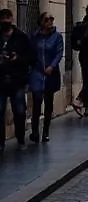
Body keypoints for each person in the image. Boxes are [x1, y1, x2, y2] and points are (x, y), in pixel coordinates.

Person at [0, 8, 33, 150]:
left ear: (12, 19)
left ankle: (20, 139)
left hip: (17, 80)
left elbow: (30, 57)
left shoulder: (21, 37)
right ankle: (1, 143)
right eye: (3, 19)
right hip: (0, 80)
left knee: (19, 111)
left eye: (8, 18)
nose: (5, 22)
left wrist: (17, 58)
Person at [28, 12, 64, 143]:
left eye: (51, 19)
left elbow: (59, 53)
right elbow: (31, 52)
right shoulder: (35, 36)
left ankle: (46, 132)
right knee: (37, 102)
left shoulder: (57, 37)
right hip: (37, 72)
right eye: (47, 19)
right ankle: (35, 132)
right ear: (41, 22)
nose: (50, 21)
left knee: (48, 103)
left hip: (51, 73)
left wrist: (52, 66)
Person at [72, 4, 88, 113]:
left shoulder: (82, 23)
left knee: (87, 79)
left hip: (82, 55)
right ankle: (79, 99)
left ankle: (87, 107)